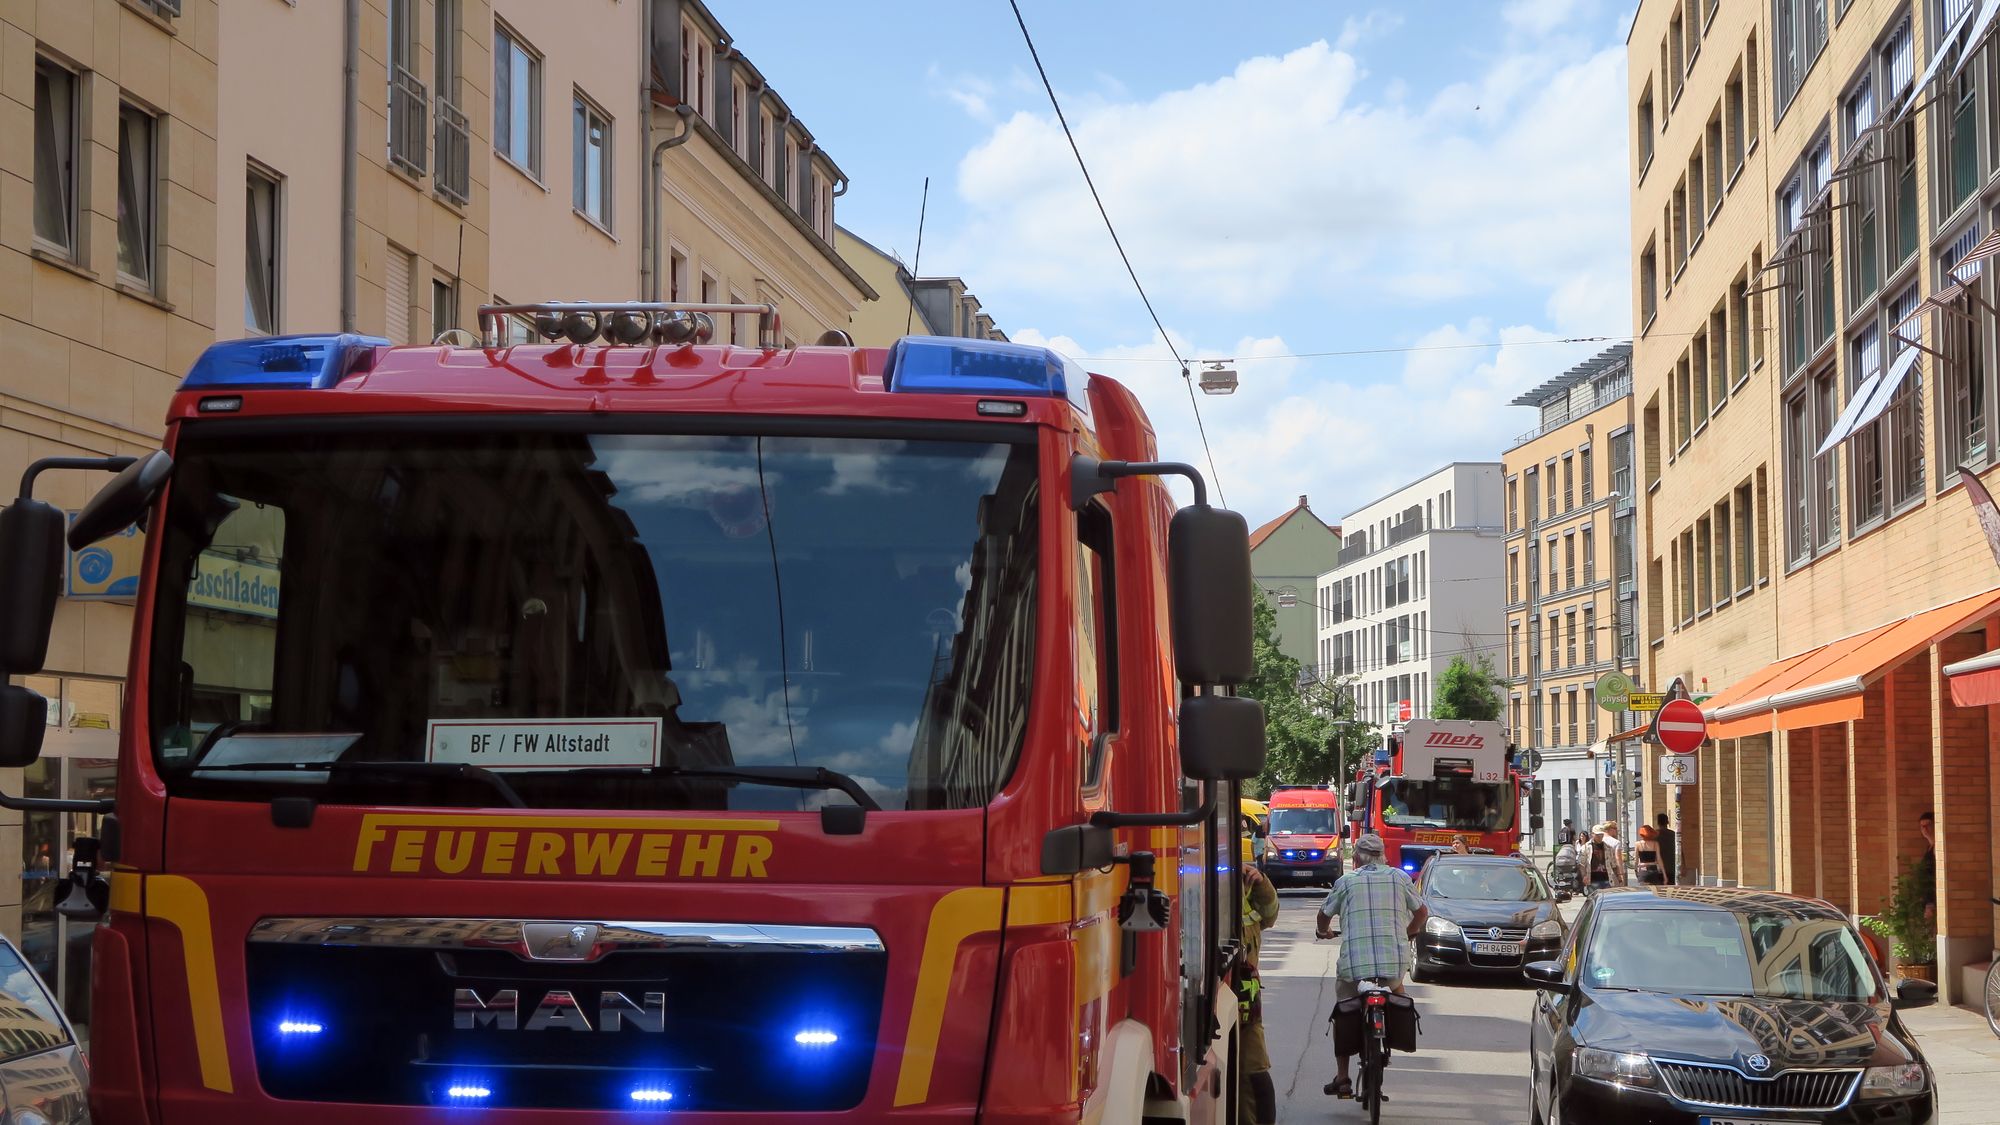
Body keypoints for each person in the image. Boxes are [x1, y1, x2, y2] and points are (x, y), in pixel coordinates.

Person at [1314, 833, 1427, 1099]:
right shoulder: (1399, 878)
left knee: (1343, 1008)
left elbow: (1323, 915)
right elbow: (1422, 913)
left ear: (1356, 859)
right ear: (1383, 856)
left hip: (1355, 967)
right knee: (1398, 990)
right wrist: (1409, 933)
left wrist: (1324, 932)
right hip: (1393, 964)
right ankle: (1395, 1030)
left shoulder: (1346, 881)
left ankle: (1342, 1078)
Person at [1238, 864, 1281, 1124]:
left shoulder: (1248, 892)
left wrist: (1261, 882)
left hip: (1245, 999)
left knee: (1254, 1074)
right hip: (1216, 998)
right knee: (1248, 1079)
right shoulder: (1210, 894)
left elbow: (1270, 915)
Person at [1916, 810, 1936, 922]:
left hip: (1933, 899)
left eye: (1928, 825)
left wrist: (1930, 903)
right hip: (1926, 897)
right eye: (1922, 826)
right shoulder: (1929, 847)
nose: (1925, 829)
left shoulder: (1937, 849)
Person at [1654, 812, 1677, 885]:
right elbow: (1680, 850)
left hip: (1658, 868)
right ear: (1667, 822)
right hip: (1672, 866)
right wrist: (1684, 865)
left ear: (1658, 822)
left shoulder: (1654, 835)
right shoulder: (1673, 835)